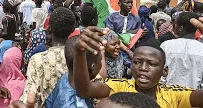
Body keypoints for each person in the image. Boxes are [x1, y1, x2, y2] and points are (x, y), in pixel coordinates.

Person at [74, 29, 203, 108]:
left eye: (151, 64)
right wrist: (79, 52)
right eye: (137, 62)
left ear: (165, 70)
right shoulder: (118, 87)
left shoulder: (174, 95)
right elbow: (85, 90)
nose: (143, 68)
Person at [20, 7, 76, 107]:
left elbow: (29, 97)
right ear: (73, 30)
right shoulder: (79, 57)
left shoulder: (37, 60)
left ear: (49, 29)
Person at [45, 36, 96, 108]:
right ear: (92, 68)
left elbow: (49, 102)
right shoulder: (75, 104)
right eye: (100, 60)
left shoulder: (66, 77)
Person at [161, 12, 203, 89]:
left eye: (175, 25)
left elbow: (160, 74)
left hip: (169, 94)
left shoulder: (166, 46)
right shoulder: (201, 48)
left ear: (181, 28)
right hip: (194, 97)